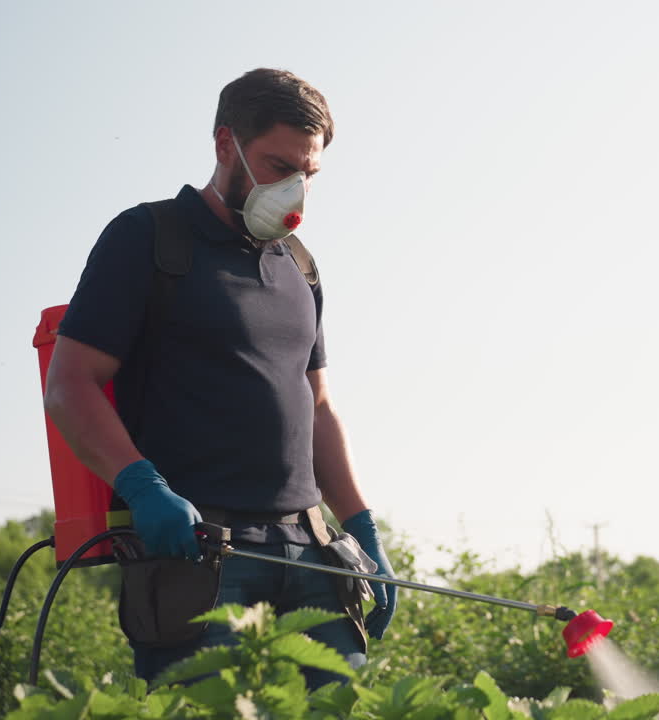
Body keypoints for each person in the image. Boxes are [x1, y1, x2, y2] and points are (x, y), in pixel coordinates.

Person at [43, 68, 395, 689]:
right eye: (276, 164)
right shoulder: (148, 238)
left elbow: (317, 406)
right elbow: (70, 384)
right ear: (225, 143)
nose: (293, 190)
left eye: (307, 175)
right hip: (198, 553)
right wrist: (142, 486)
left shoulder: (301, 268)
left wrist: (361, 522)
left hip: (308, 547)